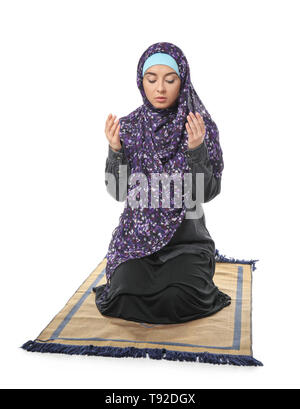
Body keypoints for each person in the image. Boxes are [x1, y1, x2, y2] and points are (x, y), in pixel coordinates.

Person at [93, 42, 231, 324]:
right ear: (140, 82)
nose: (160, 89)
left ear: (183, 81)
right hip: (136, 242)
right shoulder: (129, 127)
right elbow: (117, 192)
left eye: (170, 80)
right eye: (151, 79)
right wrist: (115, 150)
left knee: (179, 299)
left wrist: (196, 150)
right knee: (124, 296)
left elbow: (207, 192)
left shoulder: (198, 126)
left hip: (187, 244)